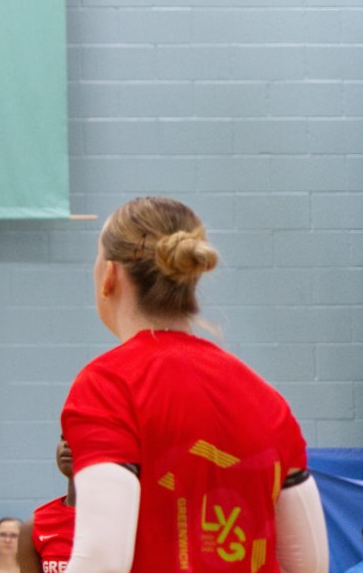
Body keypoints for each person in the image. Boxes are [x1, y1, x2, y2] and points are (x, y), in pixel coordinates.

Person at [60, 196, 329, 573]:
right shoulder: (267, 400)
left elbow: (101, 563)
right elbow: (311, 564)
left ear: (109, 276)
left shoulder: (108, 386)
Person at [17, 439, 74, 573]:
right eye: (63, 437)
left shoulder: (123, 520)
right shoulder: (35, 525)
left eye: (74, 436)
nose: (66, 443)